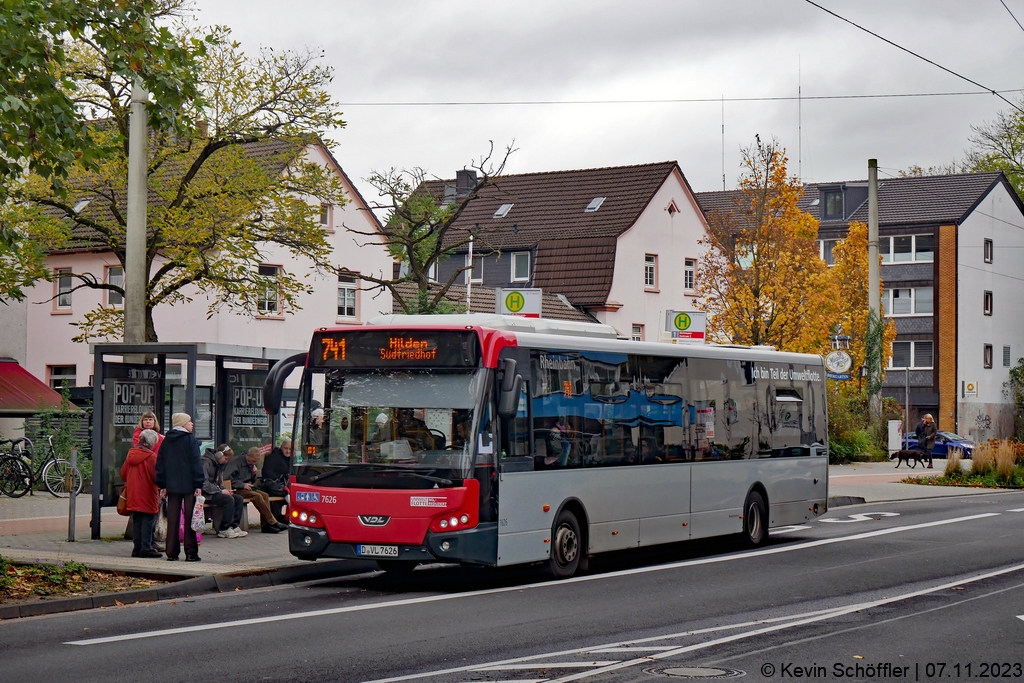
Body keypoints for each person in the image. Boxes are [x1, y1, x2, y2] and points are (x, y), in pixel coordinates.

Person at [155, 413, 204, 562]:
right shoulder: (190, 440)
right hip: (188, 485)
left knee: (173, 520)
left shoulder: (166, 441)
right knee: (189, 519)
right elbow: (196, 463)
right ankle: (190, 553)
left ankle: (171, 552)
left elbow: (160, 464)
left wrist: (163, 485)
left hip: (171, 486)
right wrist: (198, 483)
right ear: (183, 423)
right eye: (189, 421)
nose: (192, 424)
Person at [224, 446, 288, 533]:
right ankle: (273, 521)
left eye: (256, 461)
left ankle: (266, 526)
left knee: (265, 495)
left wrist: (253, 473)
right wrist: (242, 485)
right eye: (253, 461)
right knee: (256, 496)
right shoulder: (235, 462)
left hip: (248, 487)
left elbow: (253, 480)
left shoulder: (251, 464)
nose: (254, 463)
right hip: (235, 488)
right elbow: (226, 478)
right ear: (248, 456)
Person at [120, 429, 162, 558]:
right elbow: (157, 477)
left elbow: (123, 474)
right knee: (148, 521)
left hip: (133, 493)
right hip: (148, 493)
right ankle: (146, 548)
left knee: (137, 519)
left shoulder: (131, 454)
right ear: (152, 442)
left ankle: (136, 548)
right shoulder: (151, 457)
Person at [201, 447, 247, 539]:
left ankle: (234, 526)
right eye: (225, 459)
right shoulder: (205, 463)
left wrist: (225, 490)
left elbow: (219, 482)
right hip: (205, 494)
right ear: (219, 455)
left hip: (214, 492)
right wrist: (220, 491)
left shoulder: (218, 465)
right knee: (228, 500)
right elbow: (204, 484)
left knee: (238, 498)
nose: (226, 461)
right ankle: (224, 529)